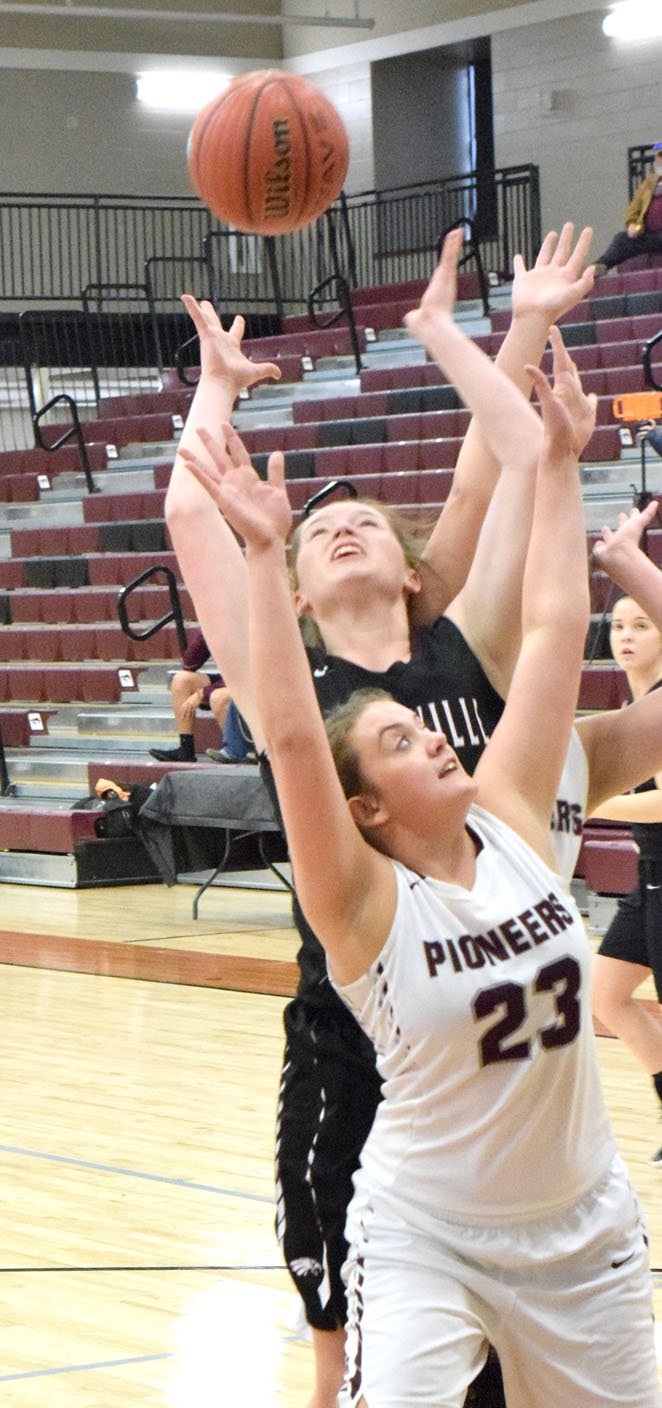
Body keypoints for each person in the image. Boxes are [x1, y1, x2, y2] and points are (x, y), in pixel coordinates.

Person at [178, 273, 660, 1408]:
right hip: (375, 1037)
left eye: (362, 521)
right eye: (315, 529)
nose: (340, 523)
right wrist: (217, 413)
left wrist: (547, 434)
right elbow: (293, 734)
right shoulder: (310, 725)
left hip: (553, 1162)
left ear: (411, 569)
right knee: (346, 1354)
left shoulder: (482, 726)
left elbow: (535, 583)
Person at [589, 502, 662, 1164]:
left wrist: (588, 801)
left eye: (643, 622)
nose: (628, 634)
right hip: (650, 883)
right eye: (619, 624)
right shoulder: (627, 710)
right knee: (607, 994)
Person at [149, 625, 230, 763]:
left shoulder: (248, 622)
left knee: (218, 697)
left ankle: (235, 750)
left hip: (256, 683)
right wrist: (206, 629)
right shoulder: (221, 621)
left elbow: (245, 676)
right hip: (232, 680)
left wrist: (203, 693)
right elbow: (189, 664)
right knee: (182, 680)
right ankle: (186, 750)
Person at [593, 142, 662, 277]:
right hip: (650, 235)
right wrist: (632, 224)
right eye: (659, 157)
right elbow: (634, 208)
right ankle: (600, 266)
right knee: (621, 239)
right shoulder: (649, 184)